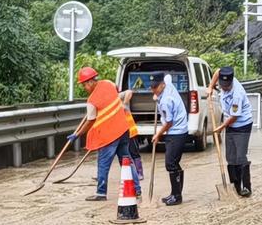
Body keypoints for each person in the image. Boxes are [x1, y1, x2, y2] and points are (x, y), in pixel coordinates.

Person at [68, 67, 141, 201]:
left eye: (84, 84)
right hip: (123, 130)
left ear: (90, 82)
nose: (85, 87)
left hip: (109, 136)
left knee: (103, 163)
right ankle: (137, 189)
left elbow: (90, 121)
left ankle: (101, 193)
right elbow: (116, 92)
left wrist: (77, 134)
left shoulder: (91, 100)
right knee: (127, 161)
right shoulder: (109, 83)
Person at [208, 66, 253, 197]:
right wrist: (211, 86)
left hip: (242, 124)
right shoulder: (223, 78)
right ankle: (235, 186)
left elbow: (234, 117)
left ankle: (246, 187)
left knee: (240, 156)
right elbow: (217, 71)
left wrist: (220, 127)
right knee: (230, 157)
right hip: (230, 124)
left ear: (231, 82)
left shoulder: (237, 94)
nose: (224, 88)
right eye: (222, 86)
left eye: (227, 87)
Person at [150, 73, 188, 206]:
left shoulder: (166, 100)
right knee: (174, 163)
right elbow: (168, 75)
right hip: (180, 130)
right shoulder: (168, 83)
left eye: (156, 87)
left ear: (162, 85)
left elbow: (169, 123)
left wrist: (157, 134)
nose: (153, 90)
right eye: (152, 87)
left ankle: (177, 196)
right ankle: (176, 193)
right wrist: (157, 96)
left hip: (176, 131)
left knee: (170, 163)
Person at [119, 90, 144, 180]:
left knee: (134, 153)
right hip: (121, 133)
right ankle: (128, 173)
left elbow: (129, 91)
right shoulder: (109, 103)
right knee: (125, 154)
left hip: (130, 131)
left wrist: (124, 104)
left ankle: (139, 173)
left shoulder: (119, 98)